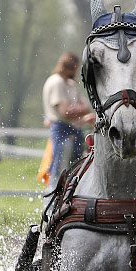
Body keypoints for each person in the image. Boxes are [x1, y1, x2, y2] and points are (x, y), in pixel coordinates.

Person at [42, 51, 94, 185]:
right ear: (72, 66)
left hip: (73, 131)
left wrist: (77, 110)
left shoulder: (69, 84)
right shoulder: (57, 82)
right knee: (60, 172)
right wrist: (80, 110)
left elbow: (85, 107)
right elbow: (65, 112)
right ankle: (53, 203)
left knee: (73, 172)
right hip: (63, 132)